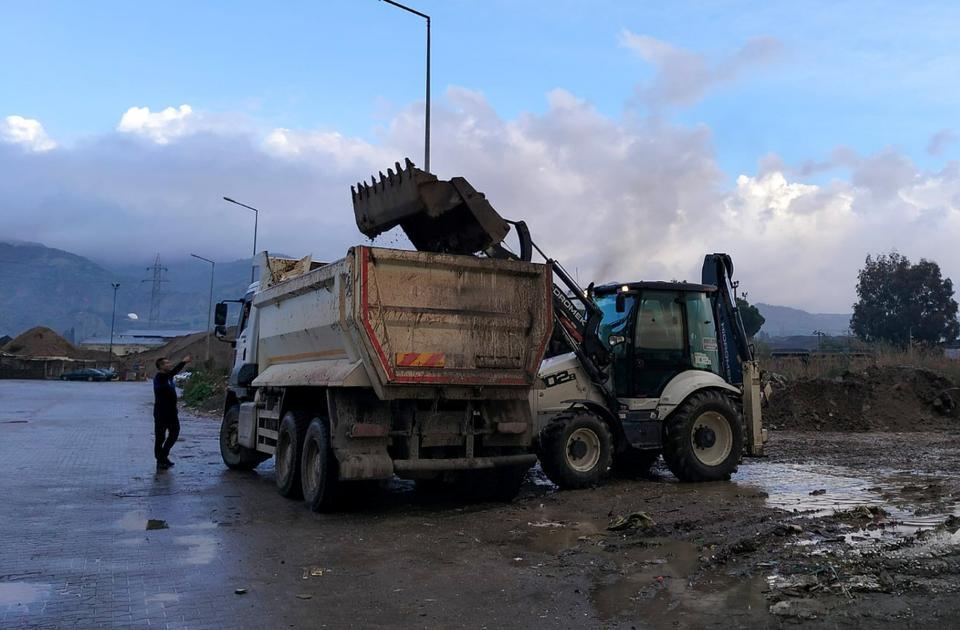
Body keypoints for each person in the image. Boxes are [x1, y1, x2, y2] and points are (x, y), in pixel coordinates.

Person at [153, 355, 191, 470]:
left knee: (174, 432)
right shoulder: (160, 377)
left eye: (169, 363)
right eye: (166, 363)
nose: (169, 365)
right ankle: (160, 460)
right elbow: (173, 372)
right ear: (161, 366)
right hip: (161, 412)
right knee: (160, 437)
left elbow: (172, 374)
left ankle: (163, 456)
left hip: (172, 412)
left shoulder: (168, 378)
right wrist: (183, 362)